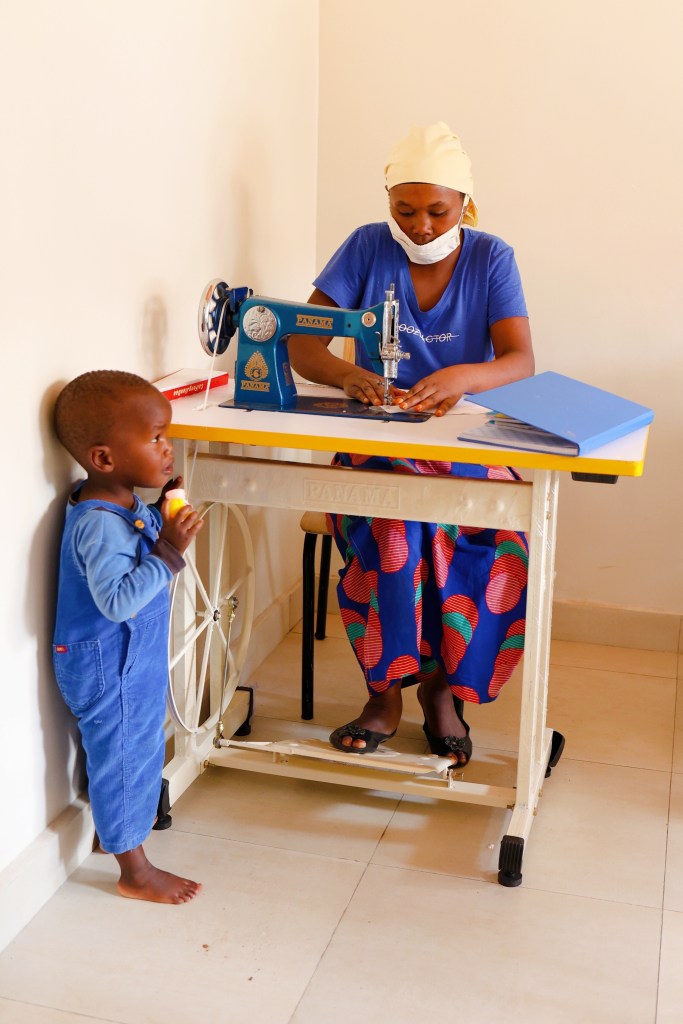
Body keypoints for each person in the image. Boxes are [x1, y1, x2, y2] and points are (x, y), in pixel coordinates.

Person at [288, 122, 534, 764]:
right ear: (388, 202)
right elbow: (303, 343)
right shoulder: (366, 247)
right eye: (405, 210)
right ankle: (385, 693)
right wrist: (348, 375)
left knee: (492, 531)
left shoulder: (491, 257)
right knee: (395, 525)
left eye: (437, 212)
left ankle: (441, 691)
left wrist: (462, 377)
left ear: (465, 204)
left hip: (466, 443)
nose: (420, 226)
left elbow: (520, 360)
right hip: (380, 441)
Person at [52, 370, 204, 903]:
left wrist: (162, 514)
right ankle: (134, 871)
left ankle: (114, 830)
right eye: (155, 438)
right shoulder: (98, 522)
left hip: (126, 657)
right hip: (107, 662)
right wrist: (169, 551)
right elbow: (116, 600)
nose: (167, 448)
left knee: (132, 747)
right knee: (124, 755)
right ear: (104, 458)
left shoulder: (120, 501)